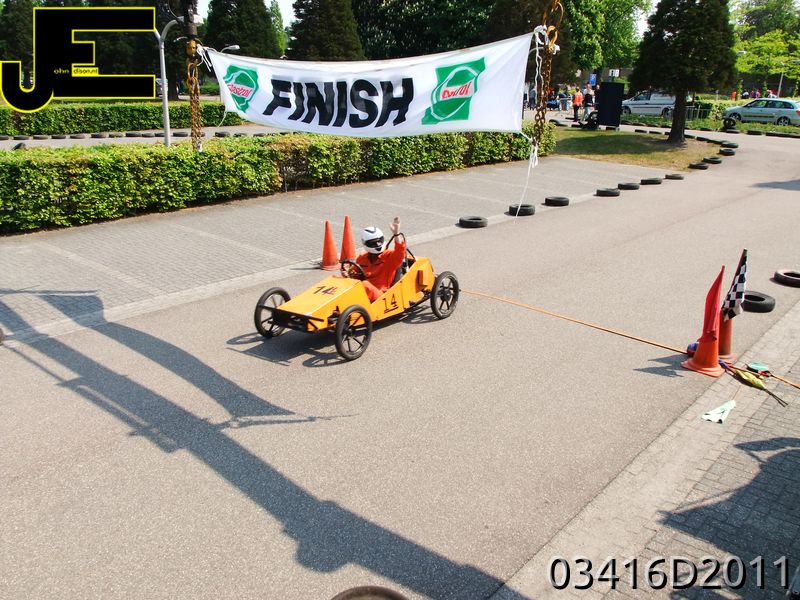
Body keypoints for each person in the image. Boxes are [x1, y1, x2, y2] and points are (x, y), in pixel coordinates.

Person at [353, 216, 406, 302]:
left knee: (364, 284)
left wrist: (396, 234)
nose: (377, 244)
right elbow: (353, 275)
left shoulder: (389, 256)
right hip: (365, 293)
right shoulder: (362, 258)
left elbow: (400, 252)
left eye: (379, 241)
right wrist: (347, 274)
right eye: (373, 242)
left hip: (382, 296)